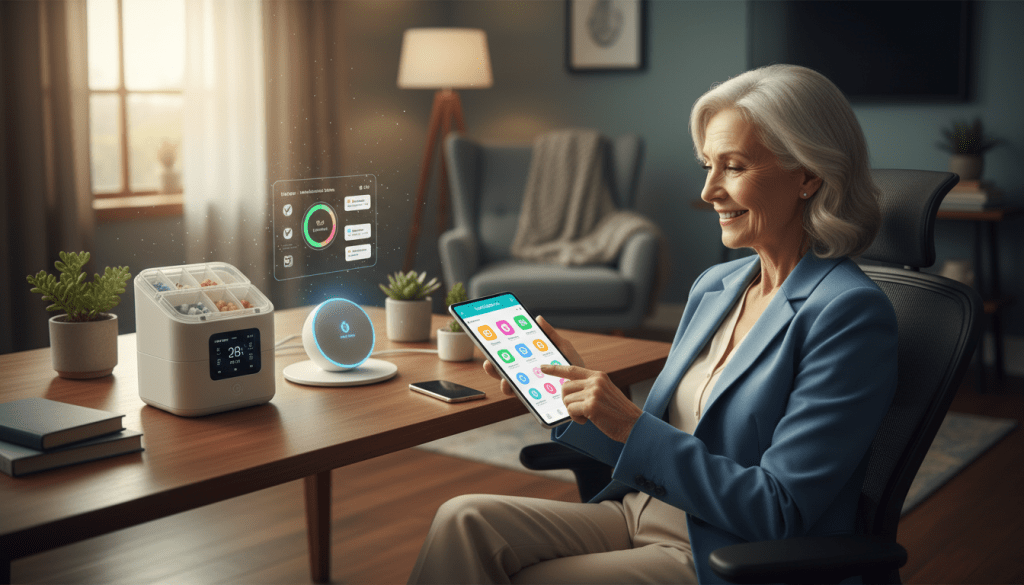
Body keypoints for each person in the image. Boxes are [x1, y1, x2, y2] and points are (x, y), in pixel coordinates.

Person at [408, 64, 898, 584]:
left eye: (733, 167)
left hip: (724, 551)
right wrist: (572, 390)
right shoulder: (717, 287)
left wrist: (630, 423)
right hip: (641, 509)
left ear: (808, 175)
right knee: (463, 519)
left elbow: (779, 510)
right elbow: (669, 436)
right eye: (707, 165)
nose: (709, 191)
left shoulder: (848, 314)